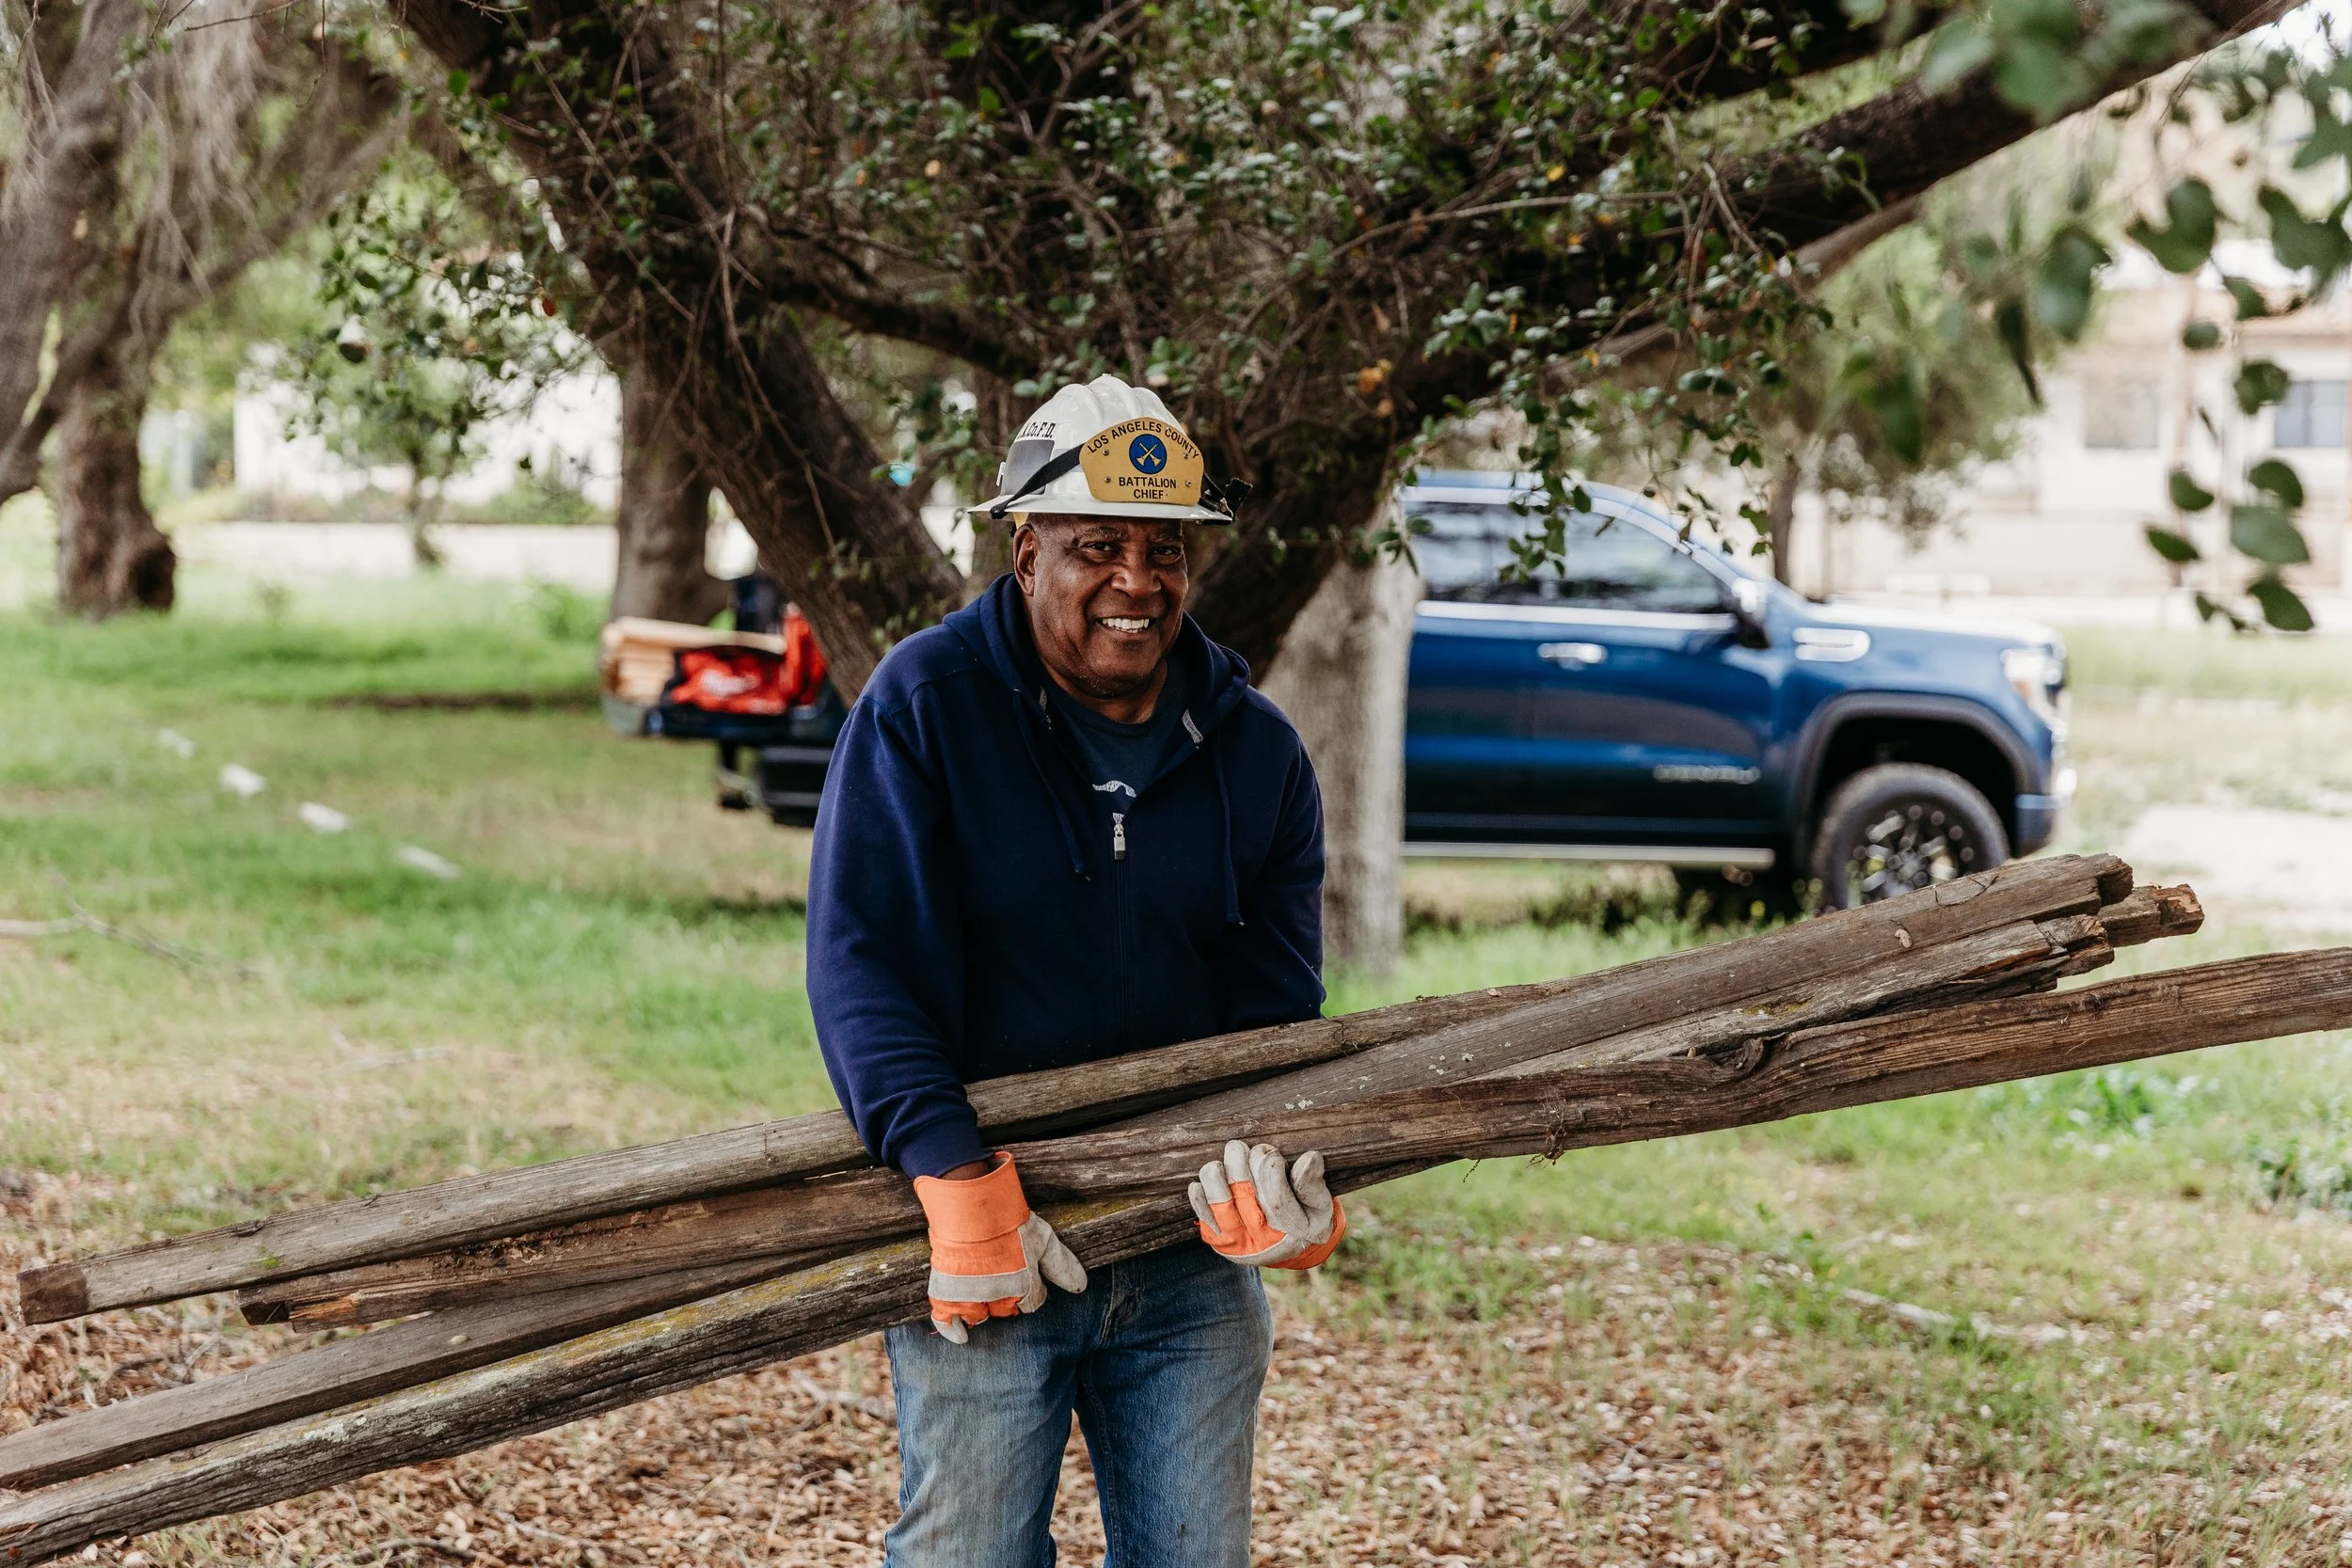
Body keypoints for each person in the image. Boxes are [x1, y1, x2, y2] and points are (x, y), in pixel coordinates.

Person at [806, 374, 1345, 1566]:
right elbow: (863, 961)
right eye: (1096, 543)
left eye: (1165, 549)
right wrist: (953, 1180)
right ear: (1025, 545)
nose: (1136, 579)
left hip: (1186, 1247)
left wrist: (1293, 1172)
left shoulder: (1254, 751)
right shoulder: (926, 706)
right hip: (996, 1228)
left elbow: (1274, 1011)